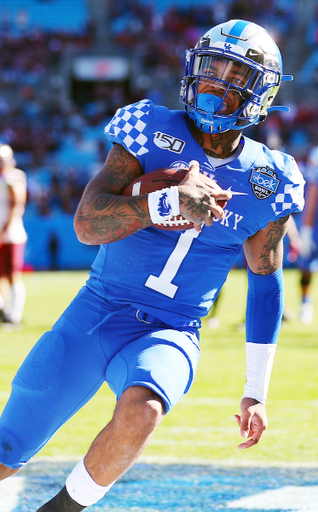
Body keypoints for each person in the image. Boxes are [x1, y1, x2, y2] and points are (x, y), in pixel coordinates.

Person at [0, 19, 305, 511]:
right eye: (209, 67)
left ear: (260, 91)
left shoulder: (273, 177)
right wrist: (163, 204)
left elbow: (265, 282)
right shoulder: (148, 129)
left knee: (143, 408)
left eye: (233, 73)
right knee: (9, 447)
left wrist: (256, 389)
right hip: (97, 309)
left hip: (173, 328)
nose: (214, 81)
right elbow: (87, 224)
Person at [0, 143, 27, 328]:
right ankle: (5, 311)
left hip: (10, 234)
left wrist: (3, 231)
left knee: (12, 275)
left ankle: (14, 315)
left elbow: (16, 206)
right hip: (4, 233)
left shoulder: (12, 177)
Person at [298, 145, 318, 323]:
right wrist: (306, 229)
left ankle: (305, 305)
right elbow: (311, 198)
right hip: (315, 226)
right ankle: (305, 304)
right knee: (307, 268)